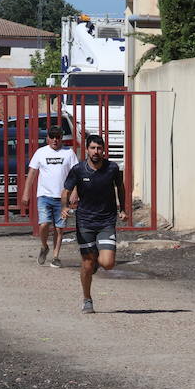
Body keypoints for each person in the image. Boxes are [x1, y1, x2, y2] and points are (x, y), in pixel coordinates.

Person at [62, 134, 127, 314]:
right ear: (87, 150)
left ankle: (98, 258)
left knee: (107, 263)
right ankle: (87, 299)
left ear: (103, 150)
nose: (96, 152)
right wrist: (65, 207)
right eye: (92, 148)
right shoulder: (78, 170)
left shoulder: (112, 168)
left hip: (106, 221)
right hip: (85, 222)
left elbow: (120, 188)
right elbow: (66, 190)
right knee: (88, 265)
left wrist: (123, 209)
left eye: (99, 148)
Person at [22, 126, 79, 266]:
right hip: (44, 195)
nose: (55, 139)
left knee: (60, 228)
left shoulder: (69, 153)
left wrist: (75, 193)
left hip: (63, 197)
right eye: (52, 137)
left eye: (58, 137)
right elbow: (32, 174)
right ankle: (44, 246)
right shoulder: (40, 153)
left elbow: (77, 174)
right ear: (47, 138)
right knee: (44, 224)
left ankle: (55, 257)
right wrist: (25, 193)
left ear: (61, 138)